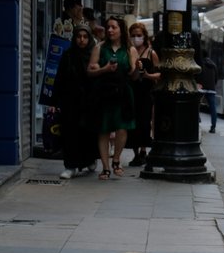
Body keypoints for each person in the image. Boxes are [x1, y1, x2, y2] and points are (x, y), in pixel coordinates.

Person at [87, 16, 140, 179]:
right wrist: (105, 69)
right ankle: (105, 167)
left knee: (122, 127)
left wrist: (138, 68)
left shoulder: (130, 50)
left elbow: (134, 76)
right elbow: (89, 72)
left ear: (120, 30)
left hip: (123, 92)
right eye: (108, 27)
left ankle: (116, 159)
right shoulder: (99, 48)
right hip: (104, 92)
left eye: (113, 27)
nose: (109, 30)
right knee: (103, 129)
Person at [51, 23, 98, 178]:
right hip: (70, 102)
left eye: (85, 37)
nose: (82, 40)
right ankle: (70, 166)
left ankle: (89, 159)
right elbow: (59, 79)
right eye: (79, 36)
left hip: (89, 102)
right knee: (70, 134)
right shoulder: (68, 55)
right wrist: (54, 102)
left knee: (88, 133)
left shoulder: (94, 54)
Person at [127, 22, 161, 166]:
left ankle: (142, 150)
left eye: (139, 35)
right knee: (132, 121)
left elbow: (160, 74)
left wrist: (147, 76)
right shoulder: (129, 51)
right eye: (133, 35)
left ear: (144, 36)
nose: (136, 38)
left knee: (144, 121)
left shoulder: (151, 53)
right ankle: (135, 153)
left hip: (146, 92)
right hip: (131, 90)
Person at [198, 55, 218, 132]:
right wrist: (213, 85)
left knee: (197, 105)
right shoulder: (213, 65)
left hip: (201, 88)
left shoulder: (200, 64)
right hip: (211, 89)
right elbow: (216, 78)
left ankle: (198, 119)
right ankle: (213, 127)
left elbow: (198, 75)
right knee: (213, 108)